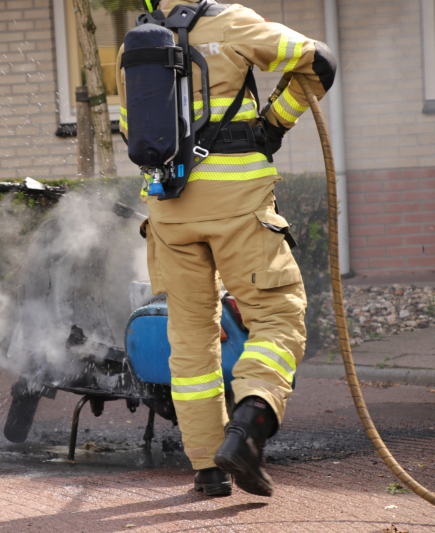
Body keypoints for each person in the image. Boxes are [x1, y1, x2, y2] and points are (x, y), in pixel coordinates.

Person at [116, 0, 336, 497]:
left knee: (191, 341)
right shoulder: (233, 22)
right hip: (237, 206)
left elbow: (133, 132)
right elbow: (318, 61)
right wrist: (272, 126)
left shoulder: (138, 44)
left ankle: (207, 470)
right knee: (278, 316)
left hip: (168, 211)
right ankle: (250, 425)